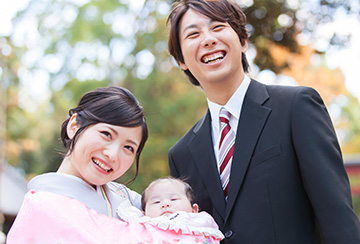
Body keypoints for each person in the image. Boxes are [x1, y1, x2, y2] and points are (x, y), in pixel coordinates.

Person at [166, 0, 360, 243]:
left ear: (243, 41)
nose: (207, 39)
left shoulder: (296, 107)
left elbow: (338, 218)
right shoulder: (181, 154)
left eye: (217, 27)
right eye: (193, 34)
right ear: (181, 60)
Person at [7, 86, 214, 244]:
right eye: (106, 134)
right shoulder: (42, 207)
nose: (113, 155)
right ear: (74, 125)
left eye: (129, 148)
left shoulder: (129, 199)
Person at [118, 176, 224, 243]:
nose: (165, 204)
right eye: (156, 202)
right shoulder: (143, 227)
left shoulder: (201, 224)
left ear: (194, 209)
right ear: (144, 213)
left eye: (173, 199)